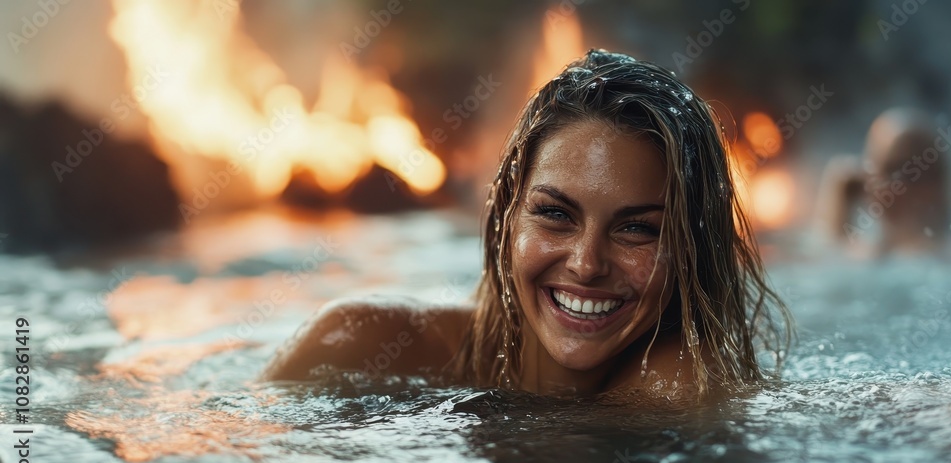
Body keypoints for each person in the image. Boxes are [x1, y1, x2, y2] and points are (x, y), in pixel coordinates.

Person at [262, 49, 791, 401]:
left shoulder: (686, 395)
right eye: (556, 215)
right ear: (506, 216)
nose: (586, 264)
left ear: (694, 248)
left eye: (637, 229)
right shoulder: (358, 346)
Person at [820, 108, 951, 256]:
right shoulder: (867, 254)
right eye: (893, 171)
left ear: (941, 184)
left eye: (921, 174)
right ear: (868, 184)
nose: (902, 186)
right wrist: (839, 205)